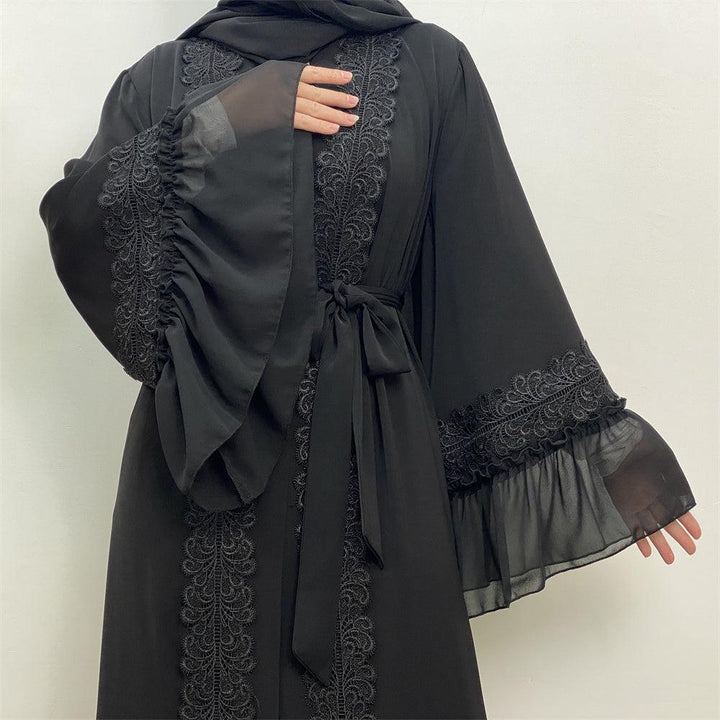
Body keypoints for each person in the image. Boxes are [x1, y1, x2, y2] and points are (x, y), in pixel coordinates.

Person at [38, 1, 701, 718]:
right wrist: (221, 123)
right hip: (201, 464)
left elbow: (486, 265)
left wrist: (599, 450)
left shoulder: (428, 64)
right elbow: (84, 231)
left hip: (373, 455)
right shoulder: (162, 78)